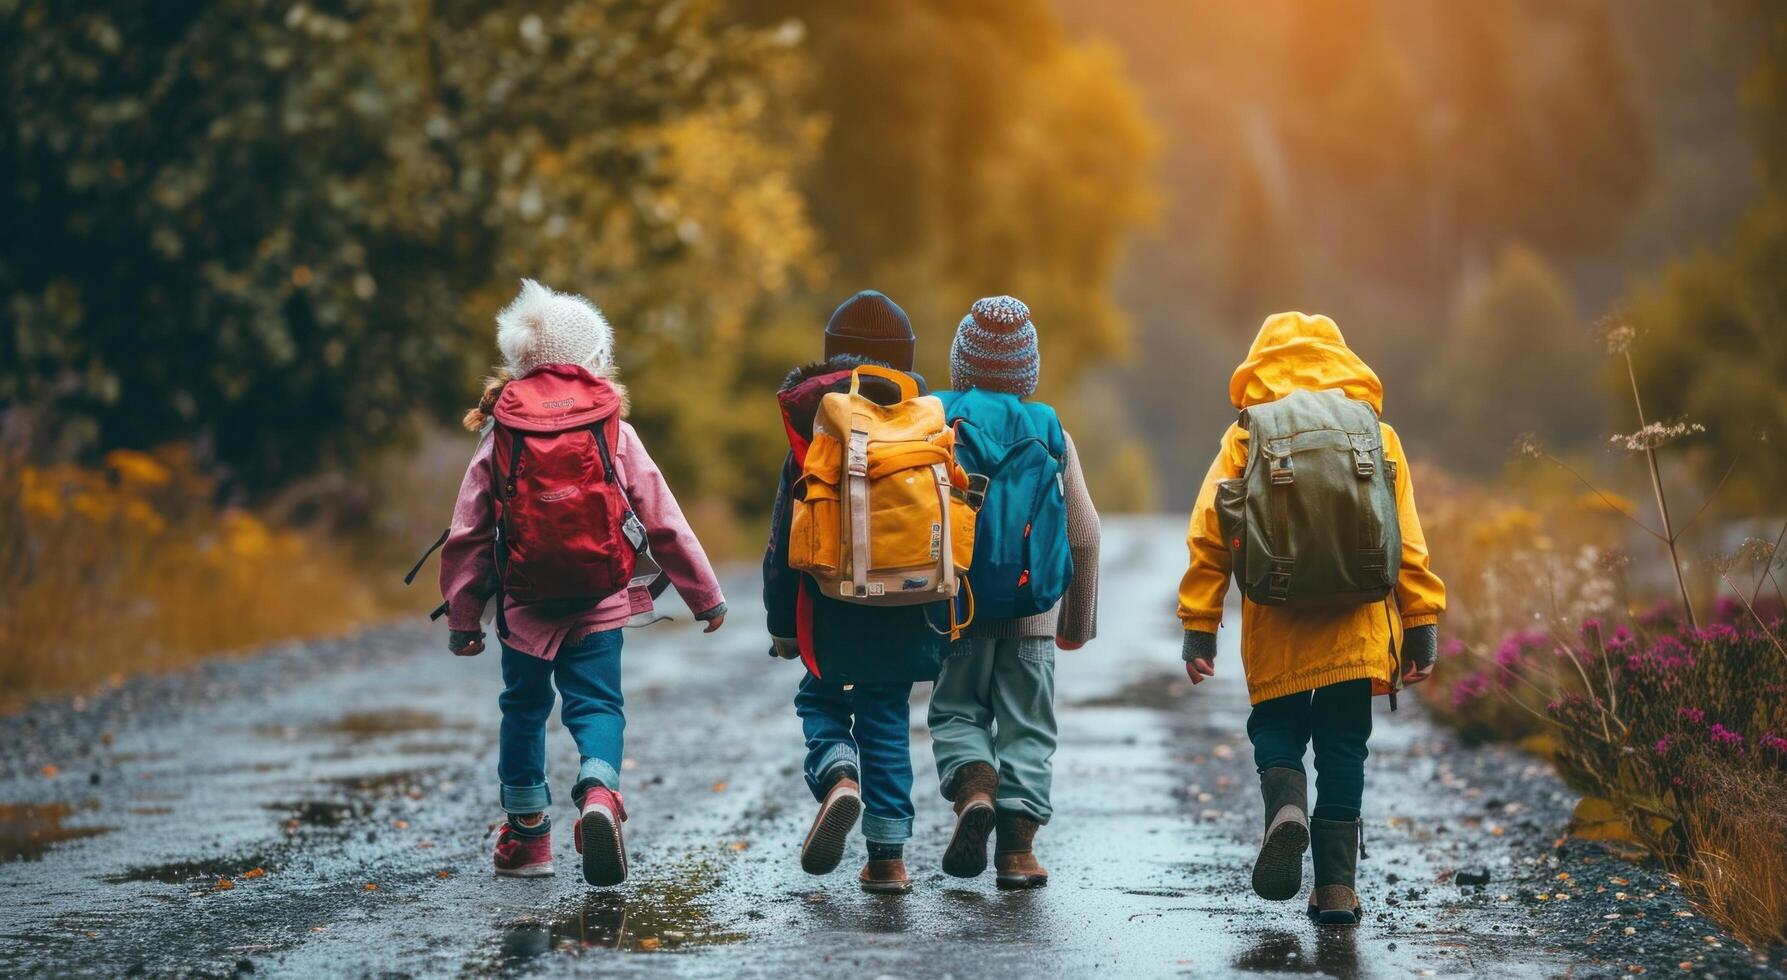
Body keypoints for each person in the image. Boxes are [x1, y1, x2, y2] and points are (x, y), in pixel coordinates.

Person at [440, 279, 727, 885]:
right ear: (594, 358)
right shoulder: (611, 427)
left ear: (520, 361)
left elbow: (467, 532)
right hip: (600, 597)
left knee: (522, 707)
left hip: (524, 606)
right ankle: (598, 793)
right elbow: (661, 516)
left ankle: (529, 840)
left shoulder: (501, 430)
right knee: (598, 704)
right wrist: (706, 596)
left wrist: (465, 619)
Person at [1177, 312, 1446, 925]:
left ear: (1260, 365)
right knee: (1345, 747)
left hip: (1277, 620)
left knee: (1275, 725)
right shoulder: (1378, 435)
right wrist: (1422, 620)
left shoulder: (1246, 434)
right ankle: (1336, 891)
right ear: (1343, 361)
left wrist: (1199, 620)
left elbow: (1209, 532)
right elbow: (1406, 540)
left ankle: (1286, 808)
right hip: (1356, 621)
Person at [762, 290, 950, 894]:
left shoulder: (817, 423)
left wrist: (783, 626)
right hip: (909, 597)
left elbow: (782, 538)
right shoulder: (920, 417)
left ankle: (837, 771)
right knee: (887, 715)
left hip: (827, 602)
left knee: (820, 700)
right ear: (904, 358)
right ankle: (889, 859)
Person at [926, 296, 1100, 889]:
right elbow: (1084, 533)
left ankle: (975, 788)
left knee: (954, 711)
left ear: (960, 361)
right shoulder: (1050, 430)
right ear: (1028, 368)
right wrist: (1076, 623)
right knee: (1028, 727)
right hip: (1032, 617)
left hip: (957, 607)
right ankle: (1018, 854)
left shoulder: (938, 421)